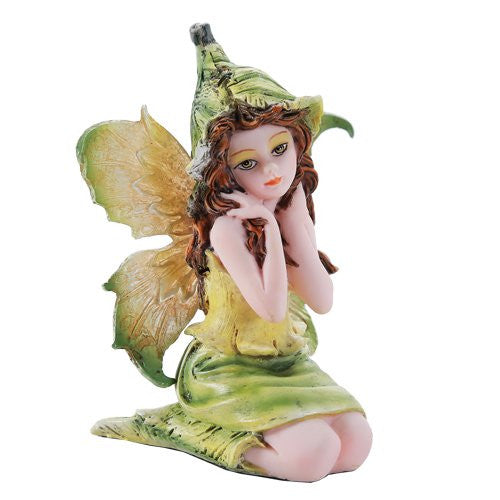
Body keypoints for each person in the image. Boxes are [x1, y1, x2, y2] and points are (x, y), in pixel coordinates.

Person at [78, 23, 372, 482]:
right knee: (313, 457)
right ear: (223, 170)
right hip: (226, 367)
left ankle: (280, 432)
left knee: (355, 443)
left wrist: (297, 226)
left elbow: (322, 300)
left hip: (283, 360)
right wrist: (269, 230)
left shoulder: (286, 204)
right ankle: (184, 430)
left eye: (281, 149)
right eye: (248, 163)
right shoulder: (228, 229)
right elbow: (272, 308)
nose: (273, 172)